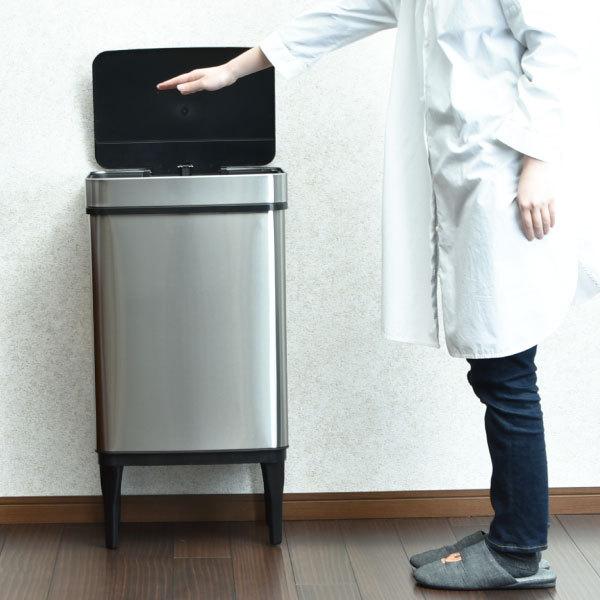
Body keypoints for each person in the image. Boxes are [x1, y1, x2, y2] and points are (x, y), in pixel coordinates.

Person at [157, 0, 600, 591]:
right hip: (468, 179)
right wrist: (233, 70)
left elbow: (560, 49)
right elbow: (339, 16)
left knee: (508, 371)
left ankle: (518, 550)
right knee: (495, 369)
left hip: (508, 178)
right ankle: (511, 531)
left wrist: (538, 163)